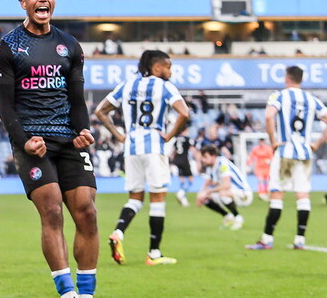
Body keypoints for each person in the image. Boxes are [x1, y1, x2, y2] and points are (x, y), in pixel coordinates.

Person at [0, 0, 112, 298]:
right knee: (53, 210)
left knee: (87, 212)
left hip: (68, 141)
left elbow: (77, 101)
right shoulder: (7, 48)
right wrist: (25, 141)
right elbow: (5, 106)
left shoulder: (70, 46)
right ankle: (68, 297)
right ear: (22, 2)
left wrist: (85, 130)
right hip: (33, 143)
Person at [94, 50, 190, 266]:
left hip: (132, 147)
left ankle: (118, 232)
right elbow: (184, 113)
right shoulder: (164, 87)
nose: (170, 72)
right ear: (157, 67)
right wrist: (169, 135)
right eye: (168, 67)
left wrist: (119, 135)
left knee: (135, 198)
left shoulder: (127, 85)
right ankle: (154, 253)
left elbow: (101, 111)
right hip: (154, 146)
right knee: (158, 199)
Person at [247, 66, 327, 250]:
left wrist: (273, 141)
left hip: (285, 151)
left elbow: (268, 116)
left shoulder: (279, 95)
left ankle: (266, 239)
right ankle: (300, 239)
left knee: (277, 194)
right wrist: (317, 143)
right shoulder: (311, 99)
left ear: (287, 78)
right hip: (305, 153)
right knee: (302, 195)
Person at [196, 145, 252, 229]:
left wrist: (207, 192)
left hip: (243, 193)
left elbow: (226, 185)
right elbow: (206, 184)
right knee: (205, 198)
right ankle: (228, 217)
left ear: (213, 156)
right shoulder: (210, 168)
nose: (202, 160)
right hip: (231, 193)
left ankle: (238, 218)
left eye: (205, 157)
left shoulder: (222, 163)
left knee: (222, 193)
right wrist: (200, 195)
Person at [171, 127, 194, 207]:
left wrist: (171, 161)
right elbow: (192, 149)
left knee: (182, 180)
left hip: (176, 161)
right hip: (184, 160)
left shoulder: (176, 139)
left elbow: (174, 151)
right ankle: (181, 193)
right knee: (191, 179)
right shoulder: (187, 139)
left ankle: (184, 200)